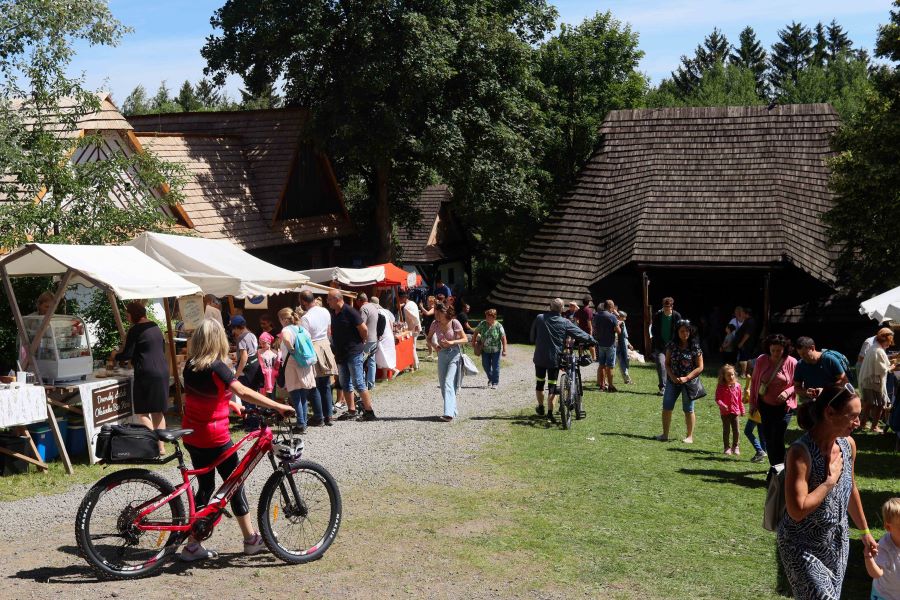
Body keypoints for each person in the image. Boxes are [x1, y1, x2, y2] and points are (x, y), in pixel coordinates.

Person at [178, 319, 294, 562]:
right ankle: (250, 540)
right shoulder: (217, 366)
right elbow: (243, 391)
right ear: (218, 339)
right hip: (215, 438)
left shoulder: (190, 365)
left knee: (206, 488)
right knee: (234, 485)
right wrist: (277, 406)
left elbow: (202, 397)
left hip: (193, 434)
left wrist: (228, 404)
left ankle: (193, 545)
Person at [777, 383, 877, 598]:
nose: (858, 422)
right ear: (830, 413)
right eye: (853, 416)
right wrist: (829, 482)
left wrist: (865, 532)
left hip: (836, 543)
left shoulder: (848, 445)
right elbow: (797, 510)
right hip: (801, 545)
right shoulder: (800, 452)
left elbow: (850, 489)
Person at [108, 302, 170, 455]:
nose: (127, 318)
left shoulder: (135, 330)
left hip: (146, 372)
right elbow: (159, 348)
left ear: (134, 314)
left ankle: (153, 443)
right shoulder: (155, 326)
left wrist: (115, 355)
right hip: (162, 370)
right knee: (158, 411)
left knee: (142, 413)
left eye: (128, 315)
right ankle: (161, 447)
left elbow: (127, 354)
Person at [530, 298, 597, 422]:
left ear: (550, 307)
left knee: (539, 383)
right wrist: (592, 340)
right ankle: (550, 413)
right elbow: (579, 333)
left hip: (539, 357)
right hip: (554, 359)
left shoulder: (540, 318)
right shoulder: (565, 322)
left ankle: (540, 407)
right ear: (562, 309)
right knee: (552, 386)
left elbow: (532, 336)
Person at [749, 334, 798, 466]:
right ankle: (774, 467)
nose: (776, 353)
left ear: (785, 349)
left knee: (778, 437)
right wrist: (753, 403)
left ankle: (781, 467)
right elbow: (754, 381)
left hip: (784, 407)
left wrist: (787, 392)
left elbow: (799, 384)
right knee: (768, 437)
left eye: (779, 350)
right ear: (768, 349)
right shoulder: (761, 360)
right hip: (765, 405)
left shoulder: (792, 362)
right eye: (773, 350)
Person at [327, 289, 376, 421]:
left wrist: (361, 341)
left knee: (358, 383)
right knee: (344, 383)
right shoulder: (334, 313)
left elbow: (364, 329)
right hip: (341, 353)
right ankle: (351, 410)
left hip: (353, 352)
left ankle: (369, 411)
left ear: (337, 299)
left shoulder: (350, 311)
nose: (327, 302)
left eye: (329, 299)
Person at [656, 319, 704, 443]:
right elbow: (667, 363)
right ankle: (665, 434)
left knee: (688, 409)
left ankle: (689, 436)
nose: (685, 333)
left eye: (687, 331)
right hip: (673, 382)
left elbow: (700, 367)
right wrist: (672, 376)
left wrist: (687, 378)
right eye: (682, 331)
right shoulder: (671, 345)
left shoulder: (695, 346)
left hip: (689, 383)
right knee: (667, 406)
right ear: (677, 332)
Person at [276, 308, 319, 433]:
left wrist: (293, 351)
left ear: (284, 319)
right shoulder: (302, 329)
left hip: (292, 364)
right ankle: (303, 422)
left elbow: (286, 339)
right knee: (303, 396)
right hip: (305, 364)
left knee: (295, 396)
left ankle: (300, 424)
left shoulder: (286, 330)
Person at [299, 291, 337, 425]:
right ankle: (328, 415)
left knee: (313, 384)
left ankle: (319, 417)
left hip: (313, 347)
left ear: (303, 301)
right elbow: (329, 331)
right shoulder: (325, 311)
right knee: (325, 383)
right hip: (325, 345)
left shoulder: (306, 317)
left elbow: (305, 338)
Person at [426, 302, 467, 421]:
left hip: (454, 354)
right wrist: (435, 346)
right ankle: (452, 410)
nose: (436, 315)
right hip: (442, 354)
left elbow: (465, 339)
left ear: (444, 312)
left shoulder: (454, 322)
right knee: (443, 384)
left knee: (449, 382)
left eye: (438, 313)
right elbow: (429, 338)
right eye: (435, 313)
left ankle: (448, 413)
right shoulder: (435, 324)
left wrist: (452, 342)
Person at [858, 328, 899, 433]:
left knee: (869, 404)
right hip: (873, 381)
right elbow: (883, 369)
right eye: (889, 341)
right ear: (885, 339)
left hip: (869, 380)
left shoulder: (875, 347)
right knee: (880, 404)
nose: (890, 344)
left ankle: (862, 424)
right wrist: (894, 366)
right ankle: (874, 426)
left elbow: (880, 363)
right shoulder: (878, 351)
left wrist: (891, 360)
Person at [794, 337, 849, 401]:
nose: (802, 357)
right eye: (800, 354)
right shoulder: (800, 364)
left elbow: (844, 381)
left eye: (804, 354)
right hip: (814, 403)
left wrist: (825, 391)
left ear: (812, 348)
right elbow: (797, 387)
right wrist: (806, 392)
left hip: (833, 401)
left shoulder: (829, 359)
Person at [866, 497, 900, 600]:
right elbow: (877, 573)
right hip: (884, 596)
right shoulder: (885, 546)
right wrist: (869, 558)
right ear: (889, 527)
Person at [650, 297, 683, 396]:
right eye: (664, 306)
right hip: (660, 346)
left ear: (672, 306)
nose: (666, 308)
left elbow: (680, 330)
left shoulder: (677, 316)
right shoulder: (658, 315)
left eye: (668, 306)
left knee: (673, 366)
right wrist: (659, 342)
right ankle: (663, 387)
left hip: (673, 346)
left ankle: (674, 386)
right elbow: (653, 330)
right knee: (661, 364)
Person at [473, 309, 507, 389]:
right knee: (485, 365)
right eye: (486, 316)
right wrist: (473, 341)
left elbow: (503, 338)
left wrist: (504, 350)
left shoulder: (499, 326)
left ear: (494, 317)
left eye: (489, 317)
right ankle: (491, 378)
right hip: (485, 350)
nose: (487, 318)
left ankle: (495, 382)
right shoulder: (483, 323)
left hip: (496, 350)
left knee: (495, 366)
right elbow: (476, 332)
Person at [593, 299, 621, 392]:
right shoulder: (612, 317)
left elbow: (595, 328)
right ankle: (611, 386)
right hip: (610, 344)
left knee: (601, 365)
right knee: (610, 366)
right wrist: (618, 324)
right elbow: (619, 331)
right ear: (611, 307)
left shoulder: (597, 316)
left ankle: (602, 385)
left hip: (600, 343)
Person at [715, 364, 744, 455]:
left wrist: (742, 409)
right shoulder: (721, 386)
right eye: (728, 375)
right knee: (726, 430)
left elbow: (739, 399)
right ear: (723, 376)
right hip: (725, 413)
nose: (731, 377)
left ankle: (735, 446)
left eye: (732, 374)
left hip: (735, 412)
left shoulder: (737, 386)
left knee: (736, 431)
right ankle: (727, 447)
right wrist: (722, 405)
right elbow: (717, 399)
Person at [355, 293, 380, 392]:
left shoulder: (363, 308)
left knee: (361, 362)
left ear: (359, 300)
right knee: (371, 362)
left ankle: (362, 385)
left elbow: (362, 325)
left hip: (366, 339)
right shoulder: (373, 307)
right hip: (374, 338)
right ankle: (371, 383)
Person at [230, 315, 262, 391]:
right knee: (254, 392)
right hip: (255, 365)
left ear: (236, 327)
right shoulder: (252, 334)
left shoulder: (241, 338)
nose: (234, 332)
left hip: (247, 369)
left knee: (246, 392)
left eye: (233, 329)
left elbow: (244, 357)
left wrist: (236, 375)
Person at [397, 289, 421, 370]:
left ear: (403, 298)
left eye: (400, 299)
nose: (399, 300)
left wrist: (417, 324)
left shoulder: (406, 307)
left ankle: (415, 365)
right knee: (413, 346)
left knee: (412, 347)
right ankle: (416, 364)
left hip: (414, 328)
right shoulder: (412, 303)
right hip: (415, 327)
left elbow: (414, 317)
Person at [734, 307, 758, 377]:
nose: (741, 314)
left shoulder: (750, 321)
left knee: (744, 359)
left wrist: (741, 343)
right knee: (743, 358)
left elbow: (747, 334)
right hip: (745, 344)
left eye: (742, 313)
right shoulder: (747, 320)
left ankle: (744, 373)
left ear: (746, 314)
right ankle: (745, 373)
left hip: (747, 344)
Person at [574, 296, 595, 361]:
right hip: (587, 330)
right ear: (589, 302)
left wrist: (578, 324)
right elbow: (589, 321)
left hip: (580, 330)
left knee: (581, 344)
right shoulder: (589, 310)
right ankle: (594, 358)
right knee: (591, 344)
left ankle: (580, 357)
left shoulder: (580, 310)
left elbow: (575, 317)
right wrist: (591, 331)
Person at [257, 332, 278, 398]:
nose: (262, 345)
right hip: (262, 375)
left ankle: (272, 402)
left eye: (264, 343)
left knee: (272, 393)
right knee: (262, 393)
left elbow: (277, 365)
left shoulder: (275, 352)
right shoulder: (259, 351)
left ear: (269, 342)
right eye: (260, 343)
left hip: (272, 376)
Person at [616, 309, 634, 385]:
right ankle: (627, 379)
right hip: (618, 346)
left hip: (623, 345)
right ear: (620, 316)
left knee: (625, 360)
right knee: (622, 362)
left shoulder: (622, 323)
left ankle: (627, 379)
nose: (625, 319)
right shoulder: (618, 323)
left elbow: (624, 337)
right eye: (624, 317)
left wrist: (629, 344)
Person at [419, 295, 437, 360]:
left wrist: (421, 307)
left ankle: (439, 354)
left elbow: (427, 313)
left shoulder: (434, 308)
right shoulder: (427, 307)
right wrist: (420, 313)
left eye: (428, 301)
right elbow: (423, 314)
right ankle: (430, 354)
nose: (427, 302)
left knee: (434, 342)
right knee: (428, 341)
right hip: (427, 326)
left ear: (432, 302)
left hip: (433, 327)